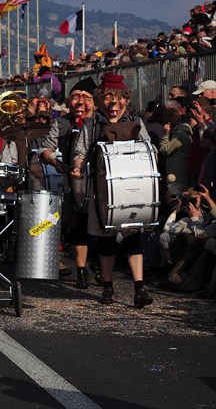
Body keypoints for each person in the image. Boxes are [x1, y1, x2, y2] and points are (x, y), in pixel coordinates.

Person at [72, 72, 154, 308]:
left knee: (133, 238)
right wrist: (78, 166)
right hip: (102, 193)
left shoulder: (137, 123)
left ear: (125, 100)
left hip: (131, 192)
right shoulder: (92, 125)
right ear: (99, 100)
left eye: (118, 98)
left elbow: (149, 150)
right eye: (108, 98)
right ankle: (107, 286)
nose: (113, 104)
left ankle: (139, 288)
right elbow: (80, 153)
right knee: (105, 241)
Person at [40, 77, 101, 289]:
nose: (81, 102)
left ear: (94, 102)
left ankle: (100, 264)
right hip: (74, 183)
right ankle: (81, 272)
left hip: (101, 185)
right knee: (78, 228)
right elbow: (46, 148)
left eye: (86, 97)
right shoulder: (62, 123)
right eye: (76, 97)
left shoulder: (100, 123)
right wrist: (54, 161)